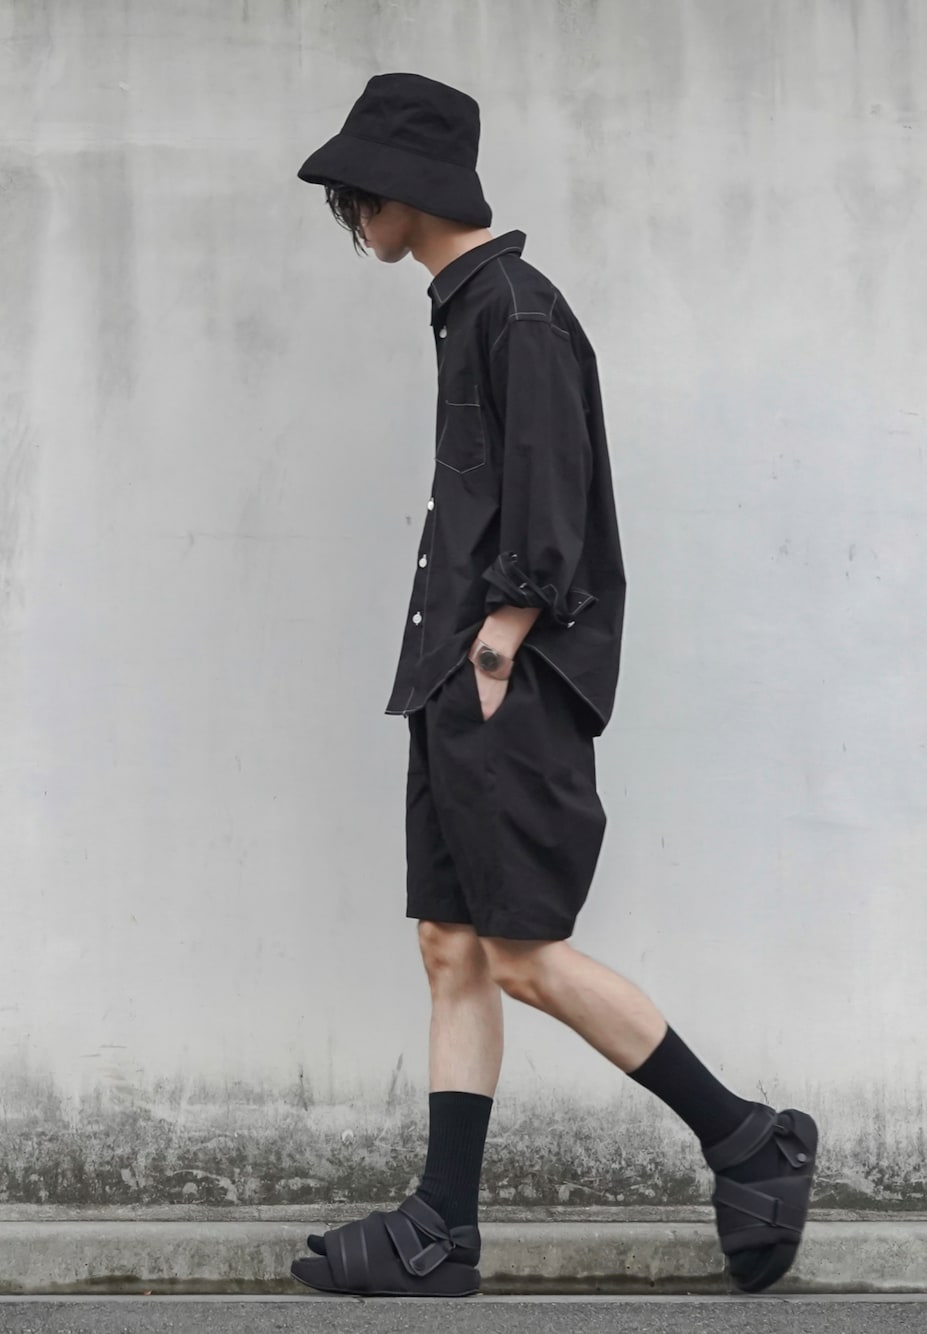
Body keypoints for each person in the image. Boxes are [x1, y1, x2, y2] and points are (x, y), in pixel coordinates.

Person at [290, 72, 818, 1299]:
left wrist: (496, 646)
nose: (351, 213)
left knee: (523, 952)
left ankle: (750, 1139)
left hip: (500, 678)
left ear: (407, 189)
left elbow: (549, 503)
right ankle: (443, 1226)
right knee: (451, 945)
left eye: (358, 190)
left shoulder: (517, 311)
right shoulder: (470, 306)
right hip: (455, 673)